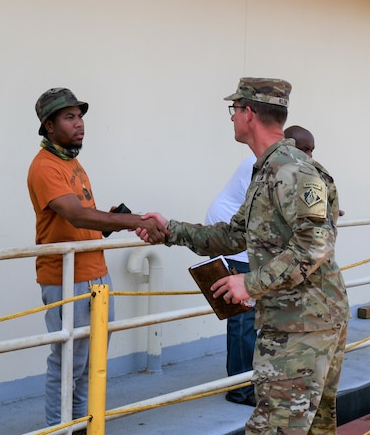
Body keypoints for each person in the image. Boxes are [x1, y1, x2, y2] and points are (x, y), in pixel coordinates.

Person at [138, 78, 348, 435]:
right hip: (293, 320)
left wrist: (250, 283)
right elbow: (234, 234)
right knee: (312, 429)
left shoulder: (293, 170)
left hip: (304, 325)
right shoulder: (265, 169)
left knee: (276, 429)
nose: (233, 117)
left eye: (234, 110)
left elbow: (313, 246)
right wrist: (169, 229)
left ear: (248, 113)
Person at [26, 87, 167, 428]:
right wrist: (135, 221)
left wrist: (112, 222)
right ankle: (60, 427)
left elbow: (84, 220)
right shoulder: (45, 167)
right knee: (67, 364)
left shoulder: (71, 161)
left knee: (91, 364)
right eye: (69, 117)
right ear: (48, 125)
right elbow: (77, 216)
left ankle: (82, 426)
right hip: (66, 278)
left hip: (94, 274)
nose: (79, 124)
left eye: (80, 116)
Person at [204, 153, 258, 407]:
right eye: (305, 149)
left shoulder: (279, 164)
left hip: (245, 241)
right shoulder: (258, 164)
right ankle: (240, 389)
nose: (308, 156)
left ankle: (250, 378)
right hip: (233, 242)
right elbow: (263, 212)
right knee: (242, 317)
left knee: (253, 316)